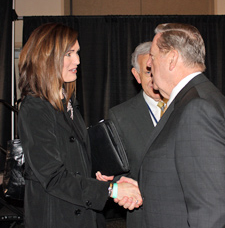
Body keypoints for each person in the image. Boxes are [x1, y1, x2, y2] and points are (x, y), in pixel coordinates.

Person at [17, 22, 142, 228]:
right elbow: (53, 177)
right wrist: (111, 190)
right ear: (47, 58)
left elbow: (74, 163)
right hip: (57, 218)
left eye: (77, 52)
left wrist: (106, 178)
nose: (77, 60)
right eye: (69, 53)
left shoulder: (67, 102)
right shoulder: (35, 108)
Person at [130, 23, 225, 227]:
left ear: (172, 59)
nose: (148, 64)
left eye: (153, 56)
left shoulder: (197, 108)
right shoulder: (196, 98)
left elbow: (212, 211)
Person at [96, 41, 167, 228]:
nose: (155, 78)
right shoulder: (120, 116)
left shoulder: (187, 107)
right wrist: (125, 191)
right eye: (148, 72)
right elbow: (114, 172)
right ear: (136, 75)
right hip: (143, 215)